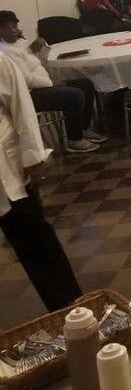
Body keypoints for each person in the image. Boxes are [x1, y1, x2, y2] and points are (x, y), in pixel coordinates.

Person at [0, 54, 83, 311]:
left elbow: (22, 107)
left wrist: (34, 158)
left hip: (7, 170)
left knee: (36, 243)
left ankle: (71, 311)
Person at [0, 12, 105, 153]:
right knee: (75, 95)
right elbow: (25, 80)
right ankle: (75, 140)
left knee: (87, 84)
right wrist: (52, 83)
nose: (13, 30)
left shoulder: (21, 43)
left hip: (43, 84)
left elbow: (39, 64)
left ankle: (84, 128)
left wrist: (40, 48)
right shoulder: (5, 52)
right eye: (7, 28)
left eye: (14, 26)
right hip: (28, 94)